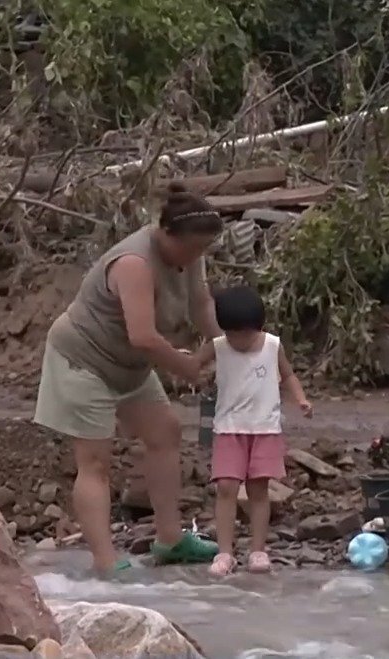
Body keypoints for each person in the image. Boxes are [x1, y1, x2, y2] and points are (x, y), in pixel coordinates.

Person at [33, 182, 224, 575]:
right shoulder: (135, 262)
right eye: (191, 249)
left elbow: (201, 303)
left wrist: (225, 343)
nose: (195, 257)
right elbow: (144, 336)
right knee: (95, 461)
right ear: (166, 234)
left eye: (202, 250)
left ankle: (170, 539)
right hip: (83, 359)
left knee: (165, 433)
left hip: (129, 364)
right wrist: (187, 365)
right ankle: (106, 561)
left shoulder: (190, 254)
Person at [195, 285, 312, 576]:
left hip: (264, 428)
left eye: (246, 334)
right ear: (224, 330)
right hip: (228, 428)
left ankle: (258, 550)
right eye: (234, 335)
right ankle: (225, 553)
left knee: (259, 489)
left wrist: (301, 399)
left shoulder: (272, 345)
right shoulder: (218, 346)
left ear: (259, 327)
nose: (241, 341)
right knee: (226, 487)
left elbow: (288, 374)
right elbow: (191, 364)